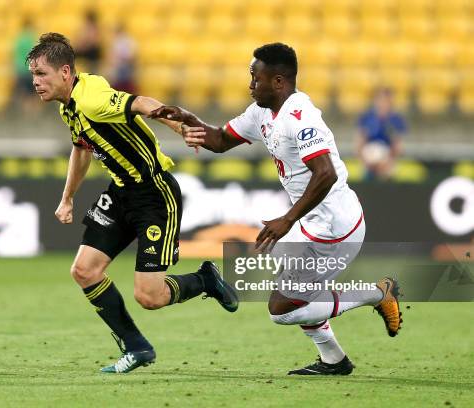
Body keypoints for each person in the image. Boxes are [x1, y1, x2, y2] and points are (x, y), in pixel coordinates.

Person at [150, 43, 402, 375]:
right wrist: (187, 120)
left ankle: (377, 293)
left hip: (335, 228)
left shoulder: (300, 116)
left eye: (256, 77)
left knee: (282, 310)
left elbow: (324, 173)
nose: (250, 84)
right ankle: (334, 360)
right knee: (292, 283)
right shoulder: (261, 113)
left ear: (279, 82)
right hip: (311, 222)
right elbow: (220, 141)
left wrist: (287, 219)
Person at [26, 33, 238, 374]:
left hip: (154, 194)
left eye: (41, 74)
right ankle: (137, 347)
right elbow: (81, 148)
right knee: (84, 270)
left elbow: (141, 104)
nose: (35, 82)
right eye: (33, 75)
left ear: (65, 72)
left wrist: (181, 126)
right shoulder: (70, 107)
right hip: (120, 192)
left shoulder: (93, 98)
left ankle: (205, 279)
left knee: (150, 297)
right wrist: (67, 198)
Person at [356, 88, 407, 181]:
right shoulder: (367, 117)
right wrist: (365, 160)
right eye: (380, 99)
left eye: (386, 100)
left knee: (388, 173)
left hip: (387, 160)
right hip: (369, 158)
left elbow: (398, 146)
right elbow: (360, 142)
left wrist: (387, 160)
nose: (383, 103)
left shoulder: (396, 120)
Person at [13, 20, 40, 114]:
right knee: (34, 94)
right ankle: (33, 113)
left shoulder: (18, 39)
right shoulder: (32, 39)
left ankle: (26, 113)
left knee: (24, 94)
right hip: (30, 70)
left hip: (21, 70)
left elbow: (15, 56)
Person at [107, 24, 137, 94]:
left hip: (125, 66)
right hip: (118, 67)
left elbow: (131, 56)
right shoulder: (115, 41)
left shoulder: (128, 40)